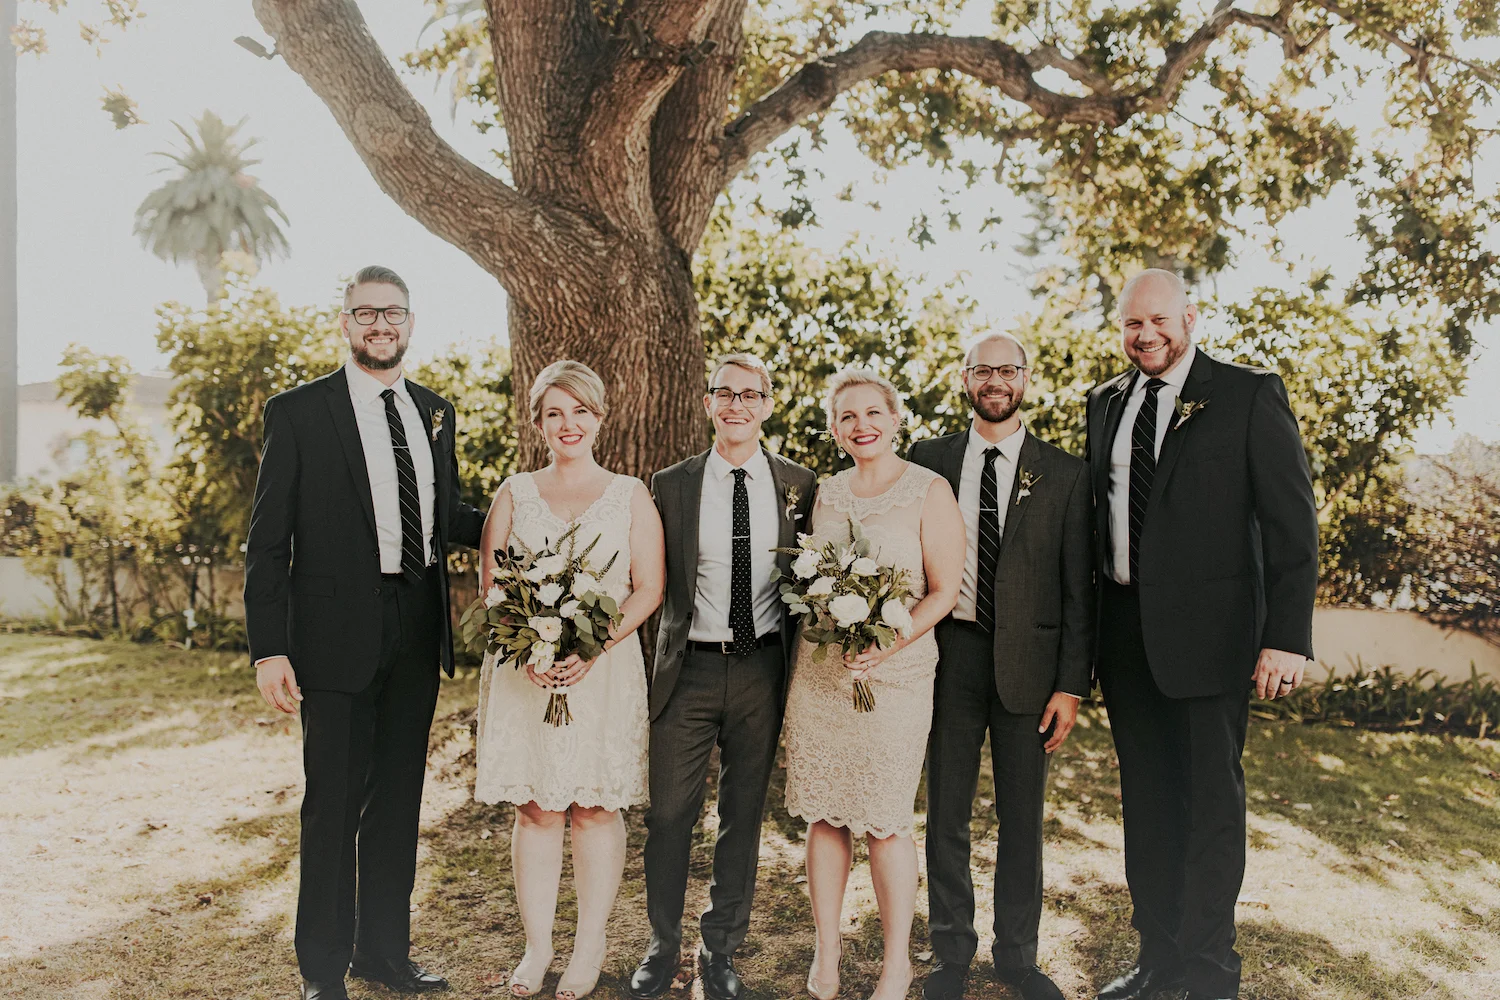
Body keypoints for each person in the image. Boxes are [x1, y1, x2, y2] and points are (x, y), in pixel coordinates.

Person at [245, 265, 487, 1000]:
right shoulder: (298, 412)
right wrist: (269, 648)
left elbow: (446, 514)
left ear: (410, 322)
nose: (381, 324)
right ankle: (322, 970)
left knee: (397, 804)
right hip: (331, 636)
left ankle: (383, 955)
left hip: (416, 626)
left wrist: (535, 516)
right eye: (367, 313)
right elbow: (267, 542)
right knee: (332, 806)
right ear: (346, 323)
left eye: (393, 313)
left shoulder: (434, 411)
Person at [1086, 270, 1318, 1000]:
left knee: (1211, 806)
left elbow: (1292, 523)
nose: (1145, 334)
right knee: (1148, 804)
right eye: (1132, 323)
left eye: (1158, 320)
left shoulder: (1249, 393)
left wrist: (1287, 637)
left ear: (1190, 316)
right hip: (1125, 638)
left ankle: (1210, 969)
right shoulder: (1104, 402)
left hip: (1215, 639)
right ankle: (1157, 959)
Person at [910, 333, 1094, 1000]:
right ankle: (950, 953)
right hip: (948, 657)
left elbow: (1079, 589)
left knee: (1022, 819)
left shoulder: (1066, 473)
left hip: (1032, 668)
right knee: (946, 814)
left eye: (1007, 370)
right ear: (965, 378)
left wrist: (1071, 684)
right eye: (983, 370)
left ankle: (1018, 956)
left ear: (1025, 378)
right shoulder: (926, 461)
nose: (996, 381)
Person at [628, 354, 817, 1000]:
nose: (737, 405)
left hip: (763, 667)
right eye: (725, 394)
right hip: (689, 669)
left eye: (750, 394)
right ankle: (662, 945)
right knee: (668, 815)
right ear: (708, 403)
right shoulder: (670, 484)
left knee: (742, 815)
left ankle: (720, 950)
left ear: (768, 404)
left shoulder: (800, 484)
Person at [474, 359, 664, 1000]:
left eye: (580, 410)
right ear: (538, 423)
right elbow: (495, 587)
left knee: (594, 807)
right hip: (526, 672)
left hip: (603, 672)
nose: (568, 423)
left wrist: (593, 647)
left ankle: (589, 946)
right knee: (536, 808)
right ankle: (537, 947)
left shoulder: (630, 494)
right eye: (554, 412)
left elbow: (649, 587)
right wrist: (528, 647)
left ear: (599, 417)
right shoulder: (514, 493)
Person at [782, 368, 964, 1000]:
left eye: (872, 413)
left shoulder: (929, 489)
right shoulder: (825, 492)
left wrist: (886, 642)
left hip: (899, 675)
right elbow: (811, 578)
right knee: (824, 814)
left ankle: (896, 963)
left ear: (895, 418)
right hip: (823, 673)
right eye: (847, 417)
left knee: (886, 820)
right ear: (835, 430)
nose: (861, 425)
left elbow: (944, 591)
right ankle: (827, 951)